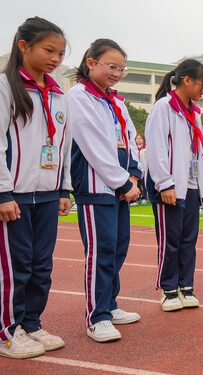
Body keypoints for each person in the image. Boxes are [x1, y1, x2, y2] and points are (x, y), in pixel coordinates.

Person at [0, 17, 71, 358]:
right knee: (16, 267)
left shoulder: (59, 94)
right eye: (49, 50)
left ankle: (31, 324)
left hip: (47, 193)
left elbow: (63, 145)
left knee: (41, 266)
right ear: (24, 46)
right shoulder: (1, 87)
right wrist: (0, 193)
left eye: (60, 53)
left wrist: (63, 189)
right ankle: (6, 333)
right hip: (14, 195)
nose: (55, 59)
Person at [68, 38, 144, 342]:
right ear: (91, 63)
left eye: (121, 69)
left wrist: (134, 175)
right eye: (111, 67)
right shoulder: (79, 97)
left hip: (121, 187)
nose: (116, 73)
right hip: (96, 186)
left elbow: (131, 139)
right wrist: (123, 181)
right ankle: (96, 316)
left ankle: (109, 304)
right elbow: (93, 147)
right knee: (100, 251)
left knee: (117, 247)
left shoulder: (116, 102)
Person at [145, 59, 203, 311]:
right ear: (187, 81)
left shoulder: (194, 112)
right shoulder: (164, 107)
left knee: (188, 240)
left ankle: (186, 286)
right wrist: (164, 183)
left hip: (191, 185)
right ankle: (169, 289)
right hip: (171, 186)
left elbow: (197, 150)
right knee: (170, 240)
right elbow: (156, 147)